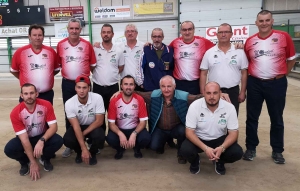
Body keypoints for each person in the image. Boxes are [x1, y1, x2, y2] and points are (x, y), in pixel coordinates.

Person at [242, 10, 296, 164]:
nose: (264, 23)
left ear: (272, 21)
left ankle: (277, 151)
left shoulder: (283, 37)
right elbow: (246, 63)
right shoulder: (250, 41)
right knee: (252, 118)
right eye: (261, 21)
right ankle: (251, 148)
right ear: (256, 23)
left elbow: (291, 59)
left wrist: (282, 75)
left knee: (277, 118)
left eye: (267, 20)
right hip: (255, 83)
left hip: (277, 83)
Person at [180, 82, 243, 175]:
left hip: (219, 139)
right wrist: (205, 148)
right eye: (208, 93)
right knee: (185, 150)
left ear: (220, 93)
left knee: (237, 152)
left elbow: (233, 133)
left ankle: (220, 161)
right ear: (204, 93)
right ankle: (195, 161)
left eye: (215, 93)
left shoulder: (229, 107)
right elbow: (189, 132)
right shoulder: (194, 106)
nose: (212, 97)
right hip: (200, 138)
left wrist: (222, 147)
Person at [4, 83, 63, 180]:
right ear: (21, 95)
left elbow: (53, 127)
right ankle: (25, 162)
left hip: (41, 135)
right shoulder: (16, 113)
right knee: (9, 149)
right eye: (26, 94)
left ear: (37, 94)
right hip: (26, 138)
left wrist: (42, 140)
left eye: (31, 93)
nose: (29, 96)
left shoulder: (46, 105)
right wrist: (33, 162)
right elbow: (24, 139)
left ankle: (45, 159)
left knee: (58, 140)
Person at [56, 18, 96, 158]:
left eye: (76, 28)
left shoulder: (87, 45)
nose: (74, 31)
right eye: (71, 28)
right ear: (68, 29)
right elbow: (58, 64)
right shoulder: (60, 45)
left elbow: (92, 65)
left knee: (88, 112)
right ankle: (71, 144)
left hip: (84, 83)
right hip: (67, 83)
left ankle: (90, 140)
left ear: (80, 30)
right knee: (69, 114)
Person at [200, 23, 248, 114]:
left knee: (232, 118)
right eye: (221, 32)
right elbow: (203, 73)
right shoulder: (209, 53)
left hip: (233, 91)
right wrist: (203, 92)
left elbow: (244, 73)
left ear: (231, 34)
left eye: (226, 32)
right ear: (217, 35)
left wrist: (242, 92)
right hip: (214, 92)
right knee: (214, 118)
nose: (223, 34)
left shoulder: (239, 52)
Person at [10, 24, 59, 105]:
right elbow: (14, 70)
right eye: (34, 35)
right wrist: (23, 78)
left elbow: (56, 70)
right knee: (27, 116)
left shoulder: (51, 52)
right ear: (29, 36)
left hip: (47, 94)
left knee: (46, 117)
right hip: (28, 95)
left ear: (43, 36)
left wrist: (46, 76)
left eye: (40, 35)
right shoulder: (20, 52)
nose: (37, 37)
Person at [63, 75, 105, 165]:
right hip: (78, 126)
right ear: (75, 88)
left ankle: (92, 153)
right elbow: (75, 126)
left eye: (84, 88)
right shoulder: (69, 103)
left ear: (89, 88)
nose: (81, 91)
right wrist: (83, 148)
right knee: (68, 140)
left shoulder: (97, 98)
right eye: (79, 87)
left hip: (93, 126)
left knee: (100, 136)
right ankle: (79, 152)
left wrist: (83, 134)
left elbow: (99, 121)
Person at [106, 75, 151, 159]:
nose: (128, 87)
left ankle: (137, 148)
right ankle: (120, 149)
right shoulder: (114, 100)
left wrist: (134, 133)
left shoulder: (139, 99)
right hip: (120, 129)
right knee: (110, 138)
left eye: (131, 84)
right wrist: (120, 134)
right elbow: (111, 124)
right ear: (121, 86)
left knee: (146, 138)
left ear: (134, 86)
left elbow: (143, 122)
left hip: (135, 128)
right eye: (126, 84)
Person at [92, 23, 124, 134]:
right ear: (101, 34)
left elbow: (120, 67)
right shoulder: (94, 49)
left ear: (112, 34)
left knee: (113, 114)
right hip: (97, 87)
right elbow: (92, 67)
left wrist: (110, 75)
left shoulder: (118, 50)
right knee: (99, 114)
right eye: (104, 32)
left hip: (113, 88)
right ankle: (100, 139)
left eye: (108, 32)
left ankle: (113, 137)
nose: (106, 34)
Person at [169, 21, 215, 95]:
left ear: (194, 30)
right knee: (180, 106)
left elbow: (219, 48)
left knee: (194, 106)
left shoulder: (202, 41)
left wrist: (236, 46)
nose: (187, 32)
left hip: (196, 83)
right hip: (178, 83)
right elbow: (164, 50)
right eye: (184, 30)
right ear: (180, 31)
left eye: (189, 29)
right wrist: (147, 45)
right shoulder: (175, 42)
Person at [120, 23, 145, 91]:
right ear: (125, 34)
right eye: (128, 31)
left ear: (136, 33)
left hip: (140, 83)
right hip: (125, 84)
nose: (130, 33)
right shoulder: (119, 47)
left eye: (132, 31)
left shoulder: (143, 46)